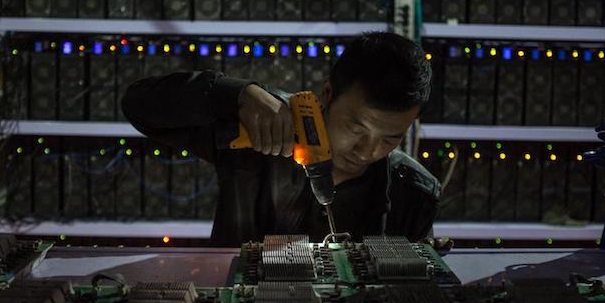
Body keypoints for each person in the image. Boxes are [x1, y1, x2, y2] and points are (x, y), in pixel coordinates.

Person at [122, 31, 440, 247]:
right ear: (327, 93)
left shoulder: (413, 192)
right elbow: (137, 105)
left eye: (391, 138)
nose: (368, 151)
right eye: (357, 129)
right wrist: (233, 94)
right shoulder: (261, 124)